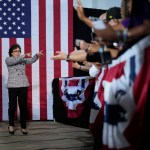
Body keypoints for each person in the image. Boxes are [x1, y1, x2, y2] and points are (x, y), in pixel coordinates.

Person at [5, 43, 43, 135]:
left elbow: (31, 61)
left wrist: (36, 55)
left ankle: (23, 126)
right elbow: (14, 61)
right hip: (13, 86)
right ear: (11, 53)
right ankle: (11, 125)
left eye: (19, 51)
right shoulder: (8, 59)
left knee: (23, 106)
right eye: (16, 51)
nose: (18, 52)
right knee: (12, 106)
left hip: (23, 85)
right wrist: (24, 55)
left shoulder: (23, 59)